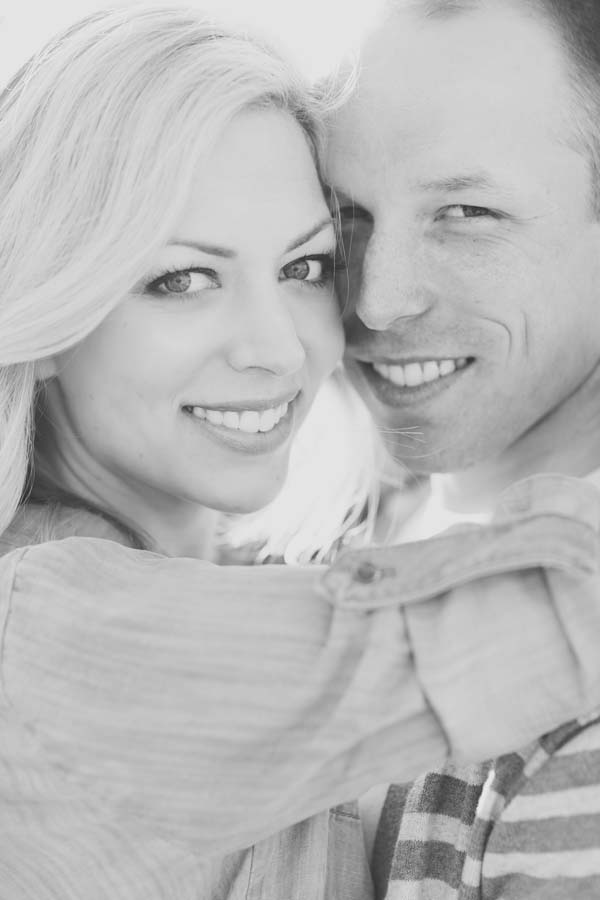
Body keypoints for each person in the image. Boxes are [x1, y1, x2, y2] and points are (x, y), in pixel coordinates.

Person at [0, 5, 599, 900]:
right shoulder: (48, 634)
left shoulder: (248, 587)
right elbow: (540, 617)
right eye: (180, 279)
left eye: (307, 265)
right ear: (45, 309)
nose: (280, 349)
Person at [325, 0, 600, 896]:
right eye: (346, 216)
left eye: (467, 212)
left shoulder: (570, 686)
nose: (376, 299)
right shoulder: (344, 547)